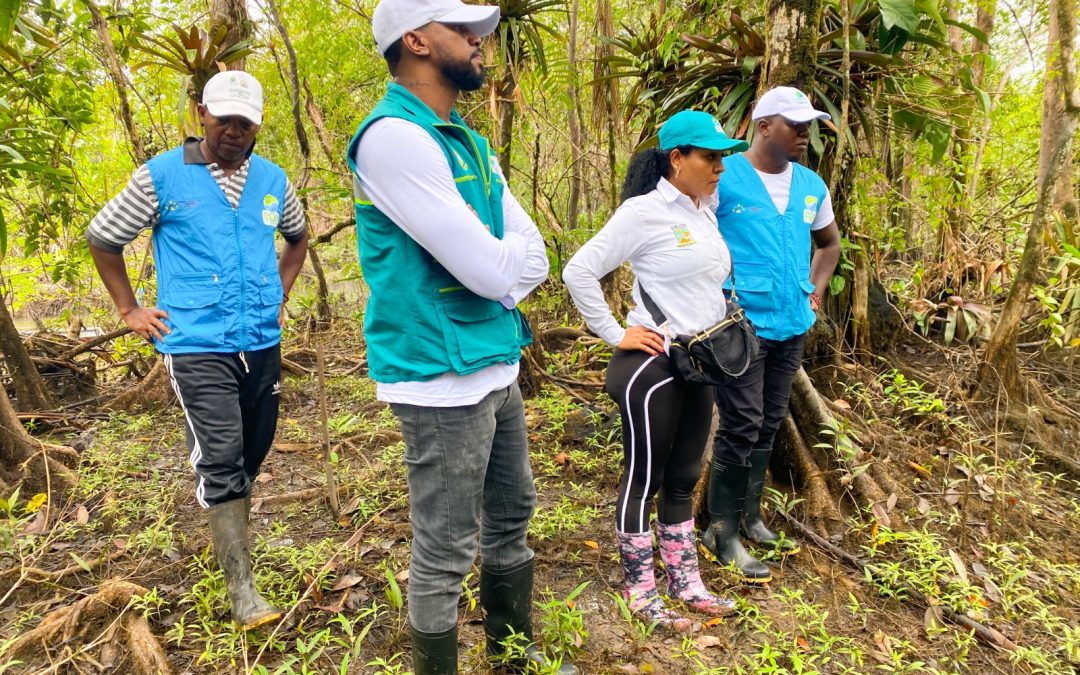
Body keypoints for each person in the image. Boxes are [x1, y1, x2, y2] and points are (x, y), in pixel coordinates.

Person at [346, 2, 572, 673]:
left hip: (492, 357)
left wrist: (501, 265)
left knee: (513, 511)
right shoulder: (394, 139)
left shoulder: (466, 140)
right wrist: (501, 265)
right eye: (463, 29)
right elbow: (491, 269)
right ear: (416, 40)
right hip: (440, 373)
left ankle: (512, 653)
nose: (479, 41)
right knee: (446, 544)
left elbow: (533, 257)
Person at [86, 71, 309, 629]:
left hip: (261, 339)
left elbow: (297, 237)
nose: (233, 131)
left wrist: (279, 293)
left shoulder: (272, 179)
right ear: (202, 115)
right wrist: (129, 310)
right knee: (222, 455)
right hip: (195, 343)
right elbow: (103, 237)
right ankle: (242, 590)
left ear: (257, 126)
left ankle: (229, 531)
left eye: (244, 123)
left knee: (254, 448)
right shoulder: (161, 176)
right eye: (223, 119)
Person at [563, 111, 749, 631]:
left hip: (699, 362)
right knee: (644, 479)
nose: (720, 167)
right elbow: (579, 270)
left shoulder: (704, 211)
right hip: (653, 366)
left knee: (684, 476)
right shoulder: (643, 213)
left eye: (722, 157)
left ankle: (685, 582)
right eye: (710, 157)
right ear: (677, 158)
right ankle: (641, 590)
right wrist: (613, 332)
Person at [700, 86, 842, 582]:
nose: (805, 134)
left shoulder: (811, 185)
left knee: (769, 420)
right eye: (795, 125)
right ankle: (720, 531)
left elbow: (828, 244)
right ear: (763, 126)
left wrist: (814, 293)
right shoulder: (724, 177)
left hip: (791, 324)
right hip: (738, 326)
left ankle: (751, 516)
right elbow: (692, 237)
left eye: (809, 126)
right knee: (741, 422)